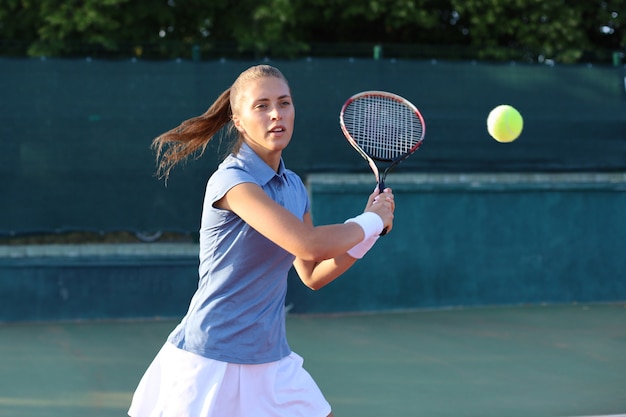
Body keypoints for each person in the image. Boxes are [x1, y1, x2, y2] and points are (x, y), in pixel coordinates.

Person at [128, 64, 395, 417]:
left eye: (284, 103)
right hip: (210, 357)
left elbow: (312, 274)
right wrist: (371, 220)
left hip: (271, 359)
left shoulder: (294, 187)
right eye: (262, 106)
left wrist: (369, 234)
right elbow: (307, 243)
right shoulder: (233, 183)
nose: (276, 114)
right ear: (238, 120)